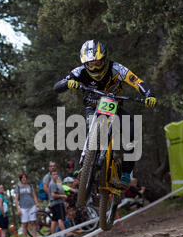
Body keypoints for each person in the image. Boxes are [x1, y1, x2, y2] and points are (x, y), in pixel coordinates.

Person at [54, 40, 157, 188]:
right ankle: (85, 161)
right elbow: (57, 86)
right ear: (85, 64)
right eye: (90, 64)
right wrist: (67, 83)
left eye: (98, 63)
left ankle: (126, 172)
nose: (94, 67)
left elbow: (137, 81)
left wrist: (149, 95)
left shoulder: (116, 68)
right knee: (91, 126)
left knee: (133, 131)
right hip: (93, 106)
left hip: (114, 106)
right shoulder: (80, 71)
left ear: (105, 59)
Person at [48, 171, 74, 237]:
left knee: (54, 220)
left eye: (56, 174)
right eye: (54, 174)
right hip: (57, 203)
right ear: (51, 175)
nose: (55, 175)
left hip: (53, 204)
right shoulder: (53, 184)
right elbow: (53, 195)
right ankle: (65, 235)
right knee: (60, 219)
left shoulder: (56, 183)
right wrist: (62, 196)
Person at [15, 173, 39, 237]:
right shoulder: (18, 187)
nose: (24, 179)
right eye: (22, 178)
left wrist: (37, 205)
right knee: (24, 224)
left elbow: (34, 196)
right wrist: (18, 208)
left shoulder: (30, 186)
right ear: (20, 179)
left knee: (33, 222)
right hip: (23, 208)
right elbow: (16, 199)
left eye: (25, 177)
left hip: (32, 206)